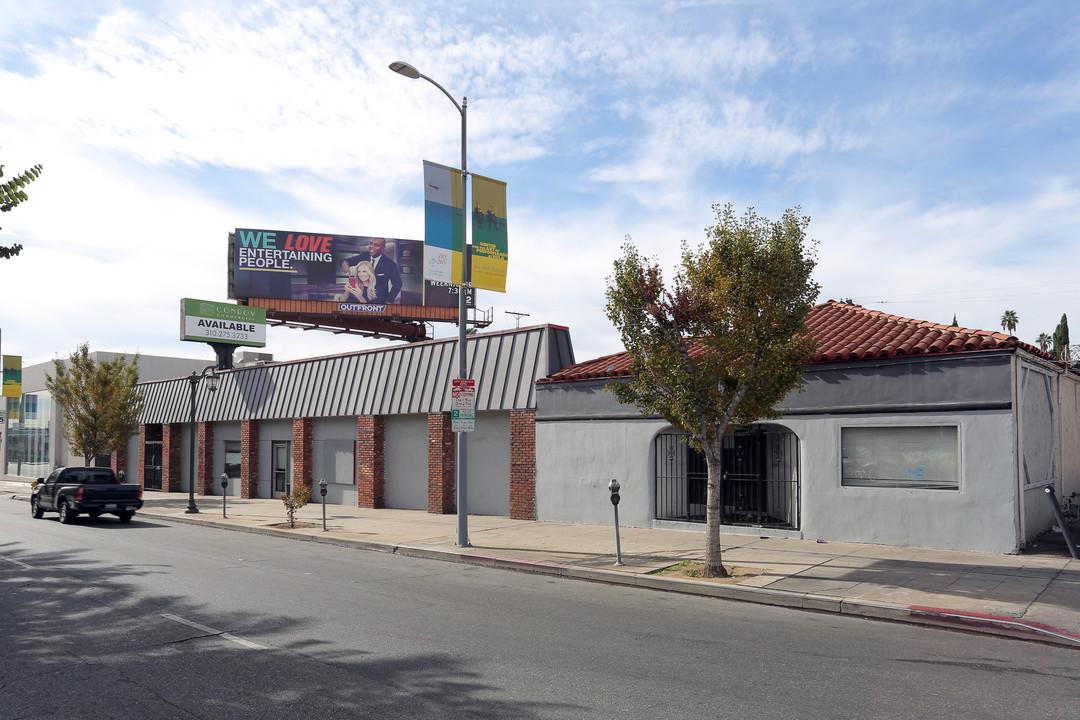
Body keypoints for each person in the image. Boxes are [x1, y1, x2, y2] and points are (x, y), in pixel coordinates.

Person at [340, 237, 401, 304]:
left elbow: (397, 284)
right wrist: (344, 263)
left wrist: (389, 301)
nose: (371, 246)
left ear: (382, 249)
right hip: (362, 293)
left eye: (376, 245)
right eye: (371, 244)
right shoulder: (363, 256)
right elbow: (346, 261)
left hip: (380, 298)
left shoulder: (390, 264)